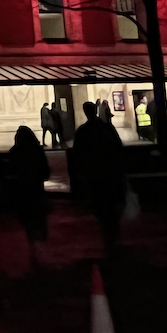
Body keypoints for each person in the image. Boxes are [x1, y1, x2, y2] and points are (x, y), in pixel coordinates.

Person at [67, 102, 126, 255]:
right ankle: (113, 237)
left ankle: (108, 237)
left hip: (94, 175)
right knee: (112, 207)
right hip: (109, 174)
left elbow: (77, 155)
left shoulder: (83, 131)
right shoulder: (107, 128)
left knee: (101, 207)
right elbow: (118, 149)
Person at [8, 125, 50, 251]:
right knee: (38, 214)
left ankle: (31, 239)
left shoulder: (15, 151)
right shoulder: (37, 150)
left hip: (23, 188)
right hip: (36, 187)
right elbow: (45, 169)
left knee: (28, 216)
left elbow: (11, 169)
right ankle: (41, 238)